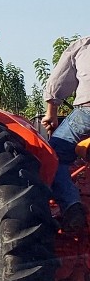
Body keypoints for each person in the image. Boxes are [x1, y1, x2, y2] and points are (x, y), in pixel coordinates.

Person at [42, 36, 90, 231]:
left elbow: (57, 82)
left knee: (53, 156)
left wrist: (51, 114)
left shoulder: (83, 45)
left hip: (87, 113)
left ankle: (71, 207)